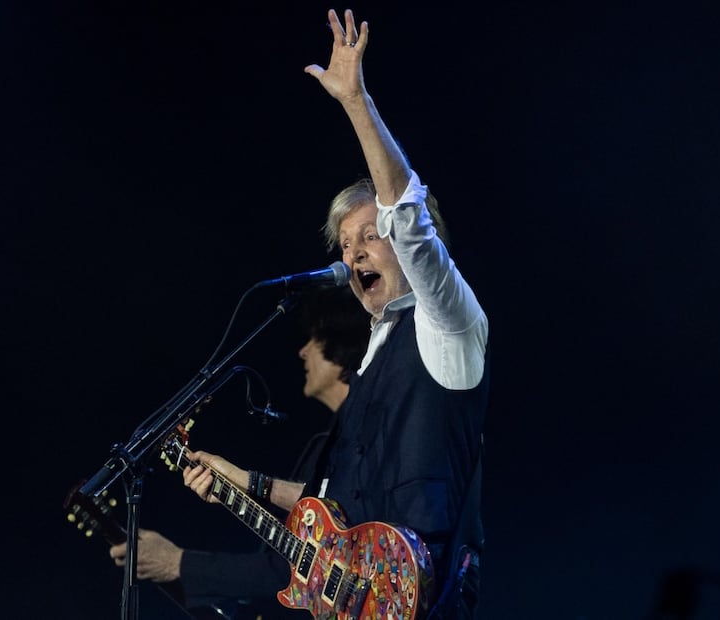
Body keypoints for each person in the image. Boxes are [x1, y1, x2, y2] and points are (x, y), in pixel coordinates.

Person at [178, 8, 489, 619]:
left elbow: (412, 220)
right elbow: (336, 507)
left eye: (369, 237)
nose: (354, 255)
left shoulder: (450, 324)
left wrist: (355, 103)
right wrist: (243, 483)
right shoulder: (372, 361)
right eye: (345, 246)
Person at [108, 286, 370, 619]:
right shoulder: (322, 445)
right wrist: (231, 488)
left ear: (343, 346)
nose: (302, 352)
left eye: (314, 339)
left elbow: (279, 571)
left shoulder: (368, 428)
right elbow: (296, 551)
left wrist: (179, 562)